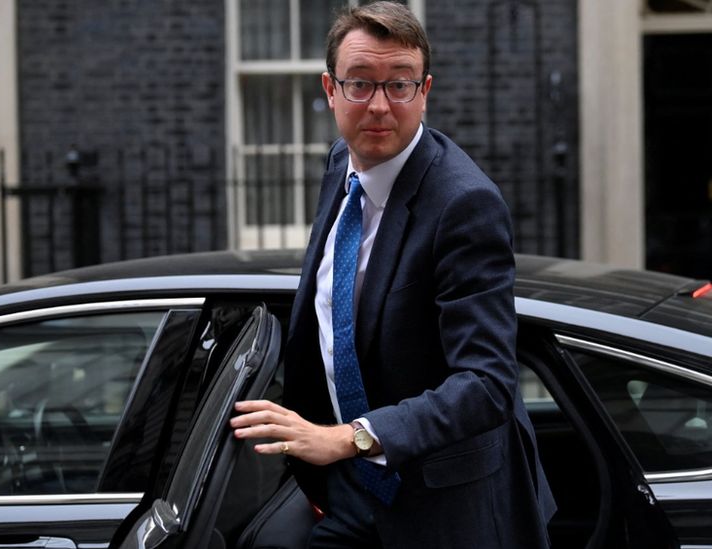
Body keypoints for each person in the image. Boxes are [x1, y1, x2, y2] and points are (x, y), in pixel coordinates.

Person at [230, 2, 556, 547]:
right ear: (330, 90)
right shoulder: (343, 163)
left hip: (442, 504)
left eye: (399, 85)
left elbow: (487, 384)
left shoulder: (464, 204)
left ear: (424, 90)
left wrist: (347, 439)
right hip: (349, 489)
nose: (379, 106)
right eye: (360, 84)